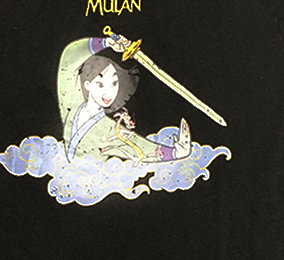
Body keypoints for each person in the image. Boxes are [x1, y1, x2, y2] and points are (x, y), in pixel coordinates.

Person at [57, 34, 192, 163]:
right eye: (100, 84)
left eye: (114, 83)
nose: (109, 92)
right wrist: (105, 43)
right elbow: (69, 59)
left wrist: (176, 153)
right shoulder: (72, 100)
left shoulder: (109, 129)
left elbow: (139, 147)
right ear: (87, 85)